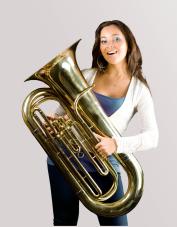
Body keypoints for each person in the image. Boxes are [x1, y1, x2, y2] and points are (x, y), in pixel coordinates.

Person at [46, 20, 159, 226]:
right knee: (64, 221)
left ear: (129, 43)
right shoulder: (87, 76)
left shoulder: (139, 90)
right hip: (63, 160)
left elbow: (152, 137)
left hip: (104, 168)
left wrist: (116, 144)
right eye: (103, 41)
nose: (109, 45)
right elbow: (62, 112)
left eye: (116, 38)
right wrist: (55, 124)